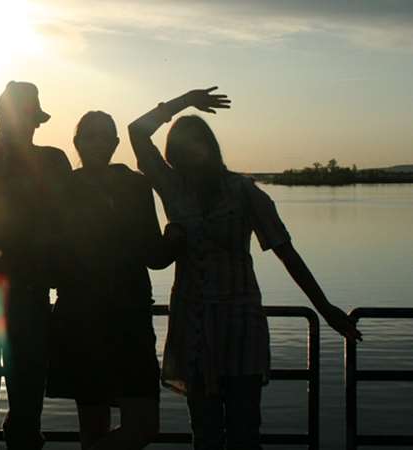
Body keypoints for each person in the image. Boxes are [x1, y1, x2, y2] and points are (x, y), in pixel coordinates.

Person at [127, 87, 362, 450]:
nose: (190, 154)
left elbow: (286, 252)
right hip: (194, 324)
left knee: (244, 432)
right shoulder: (172, 187)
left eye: (196, 145)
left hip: (241, 323)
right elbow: (137, 131)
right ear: (173, 154)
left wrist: (324, 307)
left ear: (210, 148)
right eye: (182, 148)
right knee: (205, 433)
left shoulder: (244, 191)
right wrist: (184, 101)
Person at [47, 111, 179, 450]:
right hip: (81, 319)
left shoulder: (136, 185)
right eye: (90, 136)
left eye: (105, 136)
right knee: (93, 428)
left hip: (129, 318)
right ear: (77, 142)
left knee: (144, 426)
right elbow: (51, 257)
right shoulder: (63, 189)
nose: (98, 143)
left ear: (116, 143)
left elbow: (154, 255)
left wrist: (174, 235)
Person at [0, 81, 72, 450]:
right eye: (9, 117)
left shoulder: (52, 161)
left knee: (25, 412)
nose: (16, 124)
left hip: (28, 292)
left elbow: (66, 222)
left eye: (22, 118)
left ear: (36, 123)